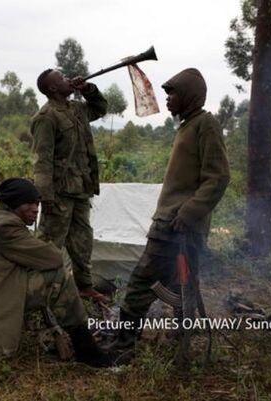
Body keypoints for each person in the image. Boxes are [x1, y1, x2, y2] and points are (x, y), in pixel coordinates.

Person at [107, 68, 230, 350]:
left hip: (178, 223)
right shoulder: (188, 125)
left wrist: (187, 213)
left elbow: (218, 177)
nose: (169, 99)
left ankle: (123, 344)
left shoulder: (205, 124)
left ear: (188, 95)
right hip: (171, 221)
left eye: (173, 93)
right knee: (180, 283)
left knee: (141, 281)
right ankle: (182, 334)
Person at [0, 178, 112, 367]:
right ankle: (88, 351)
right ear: (14, 203)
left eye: (37, 204)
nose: (35, 209)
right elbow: (53, 259)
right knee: (59, 277)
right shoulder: (6, 227)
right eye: (29, 203)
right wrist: (49, 236)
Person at [31, 69, 108, 302]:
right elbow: (42, 160)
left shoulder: (77, 109)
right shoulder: (46, 117)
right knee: (50, 244)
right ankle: (40, 291)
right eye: (62, 78)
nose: (68, 79)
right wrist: (46, 197)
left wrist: (88, 89)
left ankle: (84, 286)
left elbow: (100, 108)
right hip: (60, 192)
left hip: (81, 189)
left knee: (83, 241)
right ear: (53, 88)